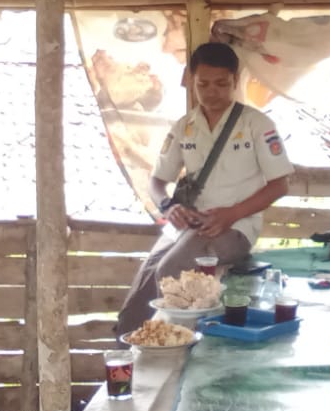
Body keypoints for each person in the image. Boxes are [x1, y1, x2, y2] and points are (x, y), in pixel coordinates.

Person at [115, 42, 295, 336]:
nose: (212, 92)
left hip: (235, 227)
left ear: (235, 80)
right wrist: (168, 207)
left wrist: (232, 214)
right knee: (145, 281)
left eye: (221, 84)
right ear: (191, 80)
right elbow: (157, 182)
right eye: (203, 84)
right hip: (187, 224)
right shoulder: (184, 126)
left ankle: (173, 344)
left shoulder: (257, 124)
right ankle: (129, 346)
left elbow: (280, 185)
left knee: (172, 270)